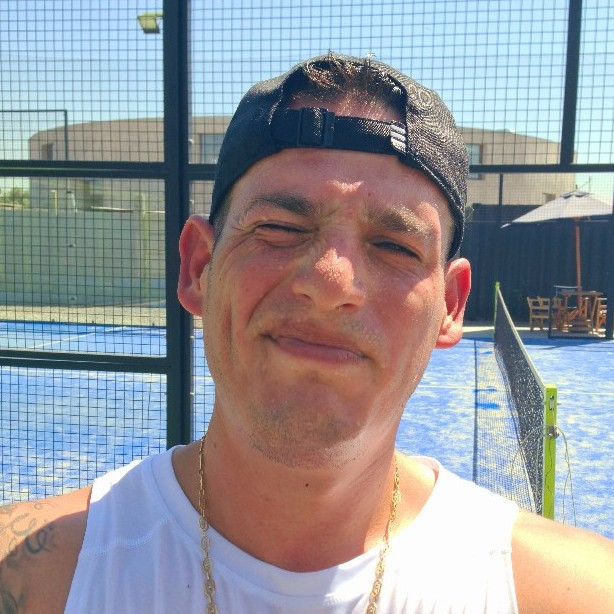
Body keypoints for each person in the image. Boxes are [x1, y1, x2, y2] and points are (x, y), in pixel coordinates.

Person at [1, 52, 613, 614]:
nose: (330, 281)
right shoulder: (32, 578)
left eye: (395, 246)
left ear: (450, 306)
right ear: (198, 268)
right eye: (280, 228)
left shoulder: (579, 594)